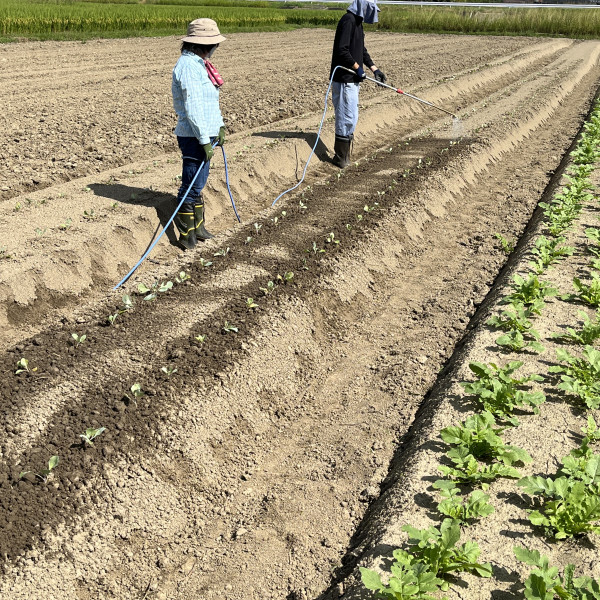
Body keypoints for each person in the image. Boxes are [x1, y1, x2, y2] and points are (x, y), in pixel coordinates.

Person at [171, 18, 227, 249]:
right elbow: (193, 108)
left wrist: (220, 125)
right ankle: (186, 235)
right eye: (214, 44)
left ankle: (198, 228)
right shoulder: (187, 67)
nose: (216, 48)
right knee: (191, 183)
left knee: (199, 182)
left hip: (205, 134)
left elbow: (209, 103)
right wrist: (204, 140)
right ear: (202, 44)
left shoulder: (200, 64)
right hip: (194, 136)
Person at [330, 0, 386, 169]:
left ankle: (345, 155)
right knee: (346, 117)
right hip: (344, 78)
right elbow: (342, 50)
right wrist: (356, 67)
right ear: (363, 6)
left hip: (353, 78)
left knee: (352, 117)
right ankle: (341, 157)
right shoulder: (348, 20)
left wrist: (374, 69)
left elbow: (361, 50)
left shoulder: (358, 23)